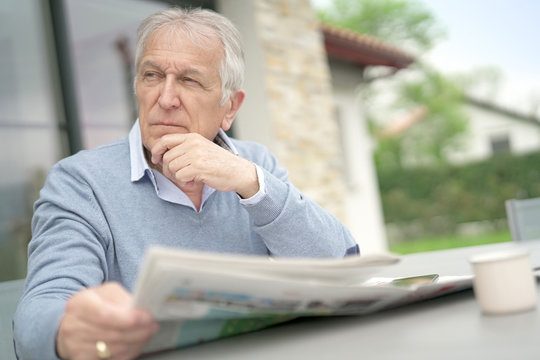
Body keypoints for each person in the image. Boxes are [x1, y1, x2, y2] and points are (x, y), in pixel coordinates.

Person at [13, 7, 358, 360]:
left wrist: (251, 182)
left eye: (189, 80)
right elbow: (41, 310)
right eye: (152, 75)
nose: (165, 99)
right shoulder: (81, 181)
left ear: (230, 107)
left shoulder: (255, 165)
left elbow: (340, 268)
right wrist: (66, 333)